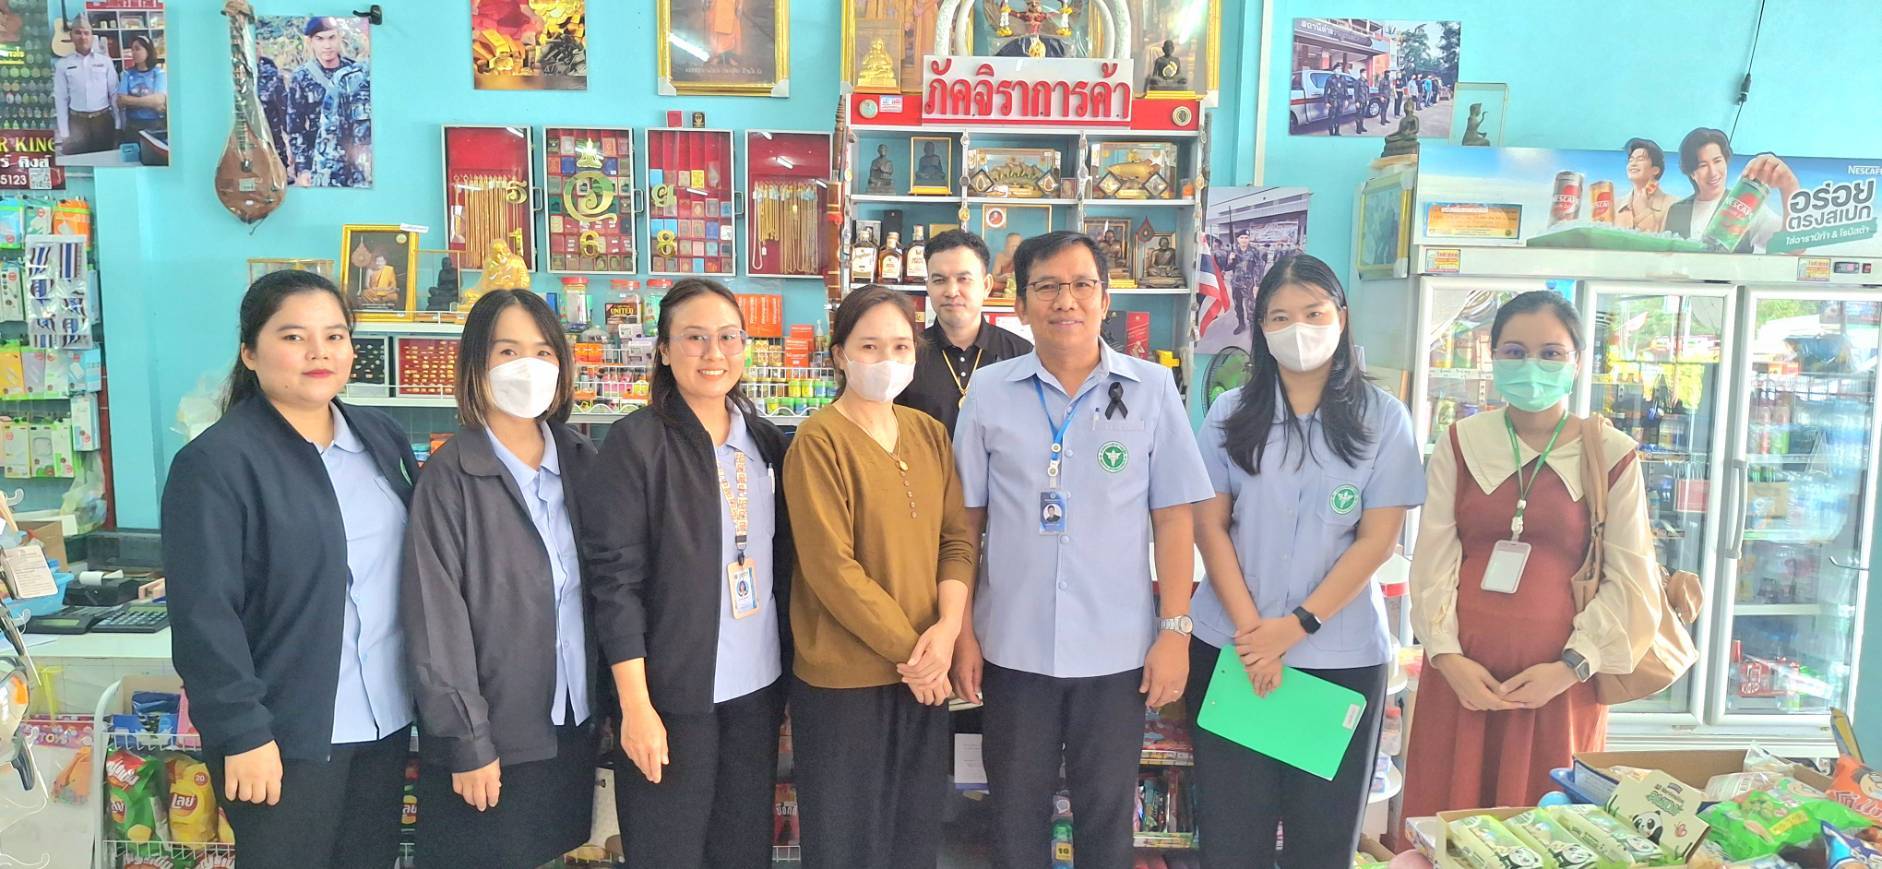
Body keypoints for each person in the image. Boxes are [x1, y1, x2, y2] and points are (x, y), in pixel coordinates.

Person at [952, 231, 1212, 869]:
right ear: (1019, 304)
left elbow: (1174, 518)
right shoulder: (988, 392)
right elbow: (964, 522)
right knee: (1014, 816)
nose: (1065, 300)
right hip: (1012, 646)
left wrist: (1175, 631)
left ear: (1105, 298)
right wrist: (961, 631)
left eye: (1081, 285)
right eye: (1046, 287)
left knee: (1105, 818)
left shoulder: (1151, 390)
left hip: (1116, 653)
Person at [163, 270, 418, 868]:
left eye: (335, 336)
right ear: (250, 353)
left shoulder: (381, 439)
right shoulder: (216, 463)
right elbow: (205, 616)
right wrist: (242, 732)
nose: (319, 353)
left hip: (385, 720)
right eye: (294, 337)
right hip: (285, 734)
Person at [1186, 254, 1424, 864]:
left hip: (1337, 661)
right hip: (1233, 653)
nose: (1299, 329)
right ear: (1262, 330)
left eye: (1314, 314)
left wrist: (1293, 629)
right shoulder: (1229, 413)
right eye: (1280, 317)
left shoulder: (1383, 419)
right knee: (1231, 841)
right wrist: (1254, 637)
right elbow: (1210, 526)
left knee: (1321, 844)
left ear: (1341, 317)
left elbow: (1377, 540)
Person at [1404, 291, 1663, 819]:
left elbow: (1632, 580)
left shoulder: (1610, 454)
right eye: (1515, 352)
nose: (1532, 366)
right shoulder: (1462, 443)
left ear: (1577, 361)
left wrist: (1570, 668)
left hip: (1560, 689)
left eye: (1551, 353)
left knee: (1549, 829)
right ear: (1494, 357)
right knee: (1447, 825)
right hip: (1462, 682)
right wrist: (1447, 657)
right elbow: (1432, 558)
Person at [585, 278, 794, 869]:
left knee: (741, 849)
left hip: (756, 690)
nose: (713, 353)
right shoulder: (637, 442)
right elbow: (615, 584)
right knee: (668, 849)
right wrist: (636, 707)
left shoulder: (765, 442)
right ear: (663, 349)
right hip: (673, 696)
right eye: (695, 338)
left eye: (728, 337)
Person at [401, 289, 597, 868]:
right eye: (507, 351)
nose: (527, 366)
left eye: (542, 351)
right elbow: (436, 625)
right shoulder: (449, 478)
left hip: (571, 726)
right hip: (493, 741)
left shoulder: (583, 463)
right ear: (476, 365)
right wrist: (469, 741)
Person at [783, 284, 978, 868]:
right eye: (869, 346)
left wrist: (947, 630)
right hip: (847, 681)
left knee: (913, 833)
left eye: (900, 346)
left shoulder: (928, 433)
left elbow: (956, 540)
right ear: (840, 355)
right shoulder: (819, 440)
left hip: (923, 673)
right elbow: (832, 570)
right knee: (848, 841)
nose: (886, 359)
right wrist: (919, 656)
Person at [897, 230, 1032, 433]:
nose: (951, 291)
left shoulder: (1021, 355)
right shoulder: (906, 354)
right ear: (928, 286)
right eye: (939, 280)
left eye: (964, 279)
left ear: (986, 286)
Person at [1664, 127, 1800, 253]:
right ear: (1691, 173)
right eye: (1703, 165)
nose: (1713, 172)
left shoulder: (1746, 206)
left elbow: (1793, 248)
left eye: (1717, 161)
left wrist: (1790, 185)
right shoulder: (1677, 210)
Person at [286, 16, 372, 187]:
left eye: (332, 37)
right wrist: (303, 168)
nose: (327, 45)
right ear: (311, 41)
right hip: (321, 163)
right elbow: (295, 129)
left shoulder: (355, 73)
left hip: (355, 163)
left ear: (339, 38)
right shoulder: (302, 77)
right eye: (320, 39)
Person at [52, 15, 119, 156]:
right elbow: (61, 99)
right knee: (79, 162)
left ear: (92, 36)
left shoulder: (105, 62)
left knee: (104, 160)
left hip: (103, 121)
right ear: (71, 36)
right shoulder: (63, 64)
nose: (82, 37)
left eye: (86, 33)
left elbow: (114, 94)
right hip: (77, 123)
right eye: (78, 33)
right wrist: (64, 133)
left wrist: (118, 125)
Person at [1614, 137, 1676, 234]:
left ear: (1655, 170)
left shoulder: (1673, 205)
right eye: (1630, 160)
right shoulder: (1615, 205)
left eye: (1640, 159)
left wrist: (1644, 210)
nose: (1633, 164)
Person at [115, 36, 166, 139]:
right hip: (133, 124)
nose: (133, 53)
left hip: (154, 124)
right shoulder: (127, 73)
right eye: (132, 50)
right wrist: (150, 103)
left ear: (148, 51)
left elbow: (159, 100)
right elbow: (121, 100)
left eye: (137, 49)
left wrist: (131, 101)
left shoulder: (158, 73)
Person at [1229, 231, 1260, 335]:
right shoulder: (1233, 251)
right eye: (1242, 237)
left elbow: (1259, 267)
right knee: (1237, 305)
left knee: (1250, 307)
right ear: (1238, 239)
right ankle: (1241, 324)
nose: (1244, 240)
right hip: (1236, 283)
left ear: (1249, 239)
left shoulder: (1254, 251)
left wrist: (1257, 284)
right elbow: (1227, 267)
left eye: (1246, 237)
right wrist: (1230, 260)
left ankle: (1252, 326)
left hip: (1249, 284)